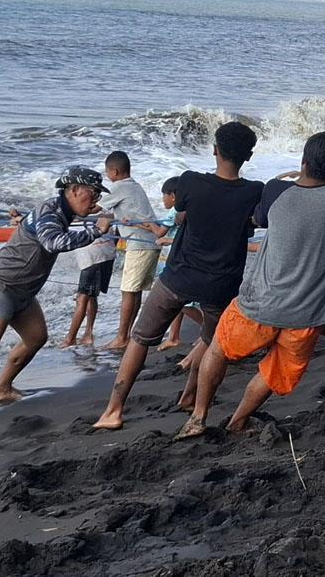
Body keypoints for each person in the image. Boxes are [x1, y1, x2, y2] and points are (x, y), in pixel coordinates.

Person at [176, 132, 325, 439]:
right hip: (309, 312)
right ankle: (238, 421)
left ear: (303, 161)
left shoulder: (274, 190)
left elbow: (260, 219)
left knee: (218, 350)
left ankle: (198, 417)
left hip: (260, 303)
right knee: (275, 370)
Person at [93, 122, 264, 430]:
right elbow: (253, 221)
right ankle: (193, 403)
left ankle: (114, 410)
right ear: (249, 156)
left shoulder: (190, 182)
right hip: (221, 285)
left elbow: (182, 215)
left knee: (140, 339)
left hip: (178, 277)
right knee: (213, 346)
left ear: (214, 149)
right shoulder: (254, 191)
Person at [0, 167, 113, 415]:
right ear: (74, 190)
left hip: (22, 292)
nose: (96, 200)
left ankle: (2, 388)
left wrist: (88, 216)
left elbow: (40, 228)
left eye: (99, 195)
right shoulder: (51, 213)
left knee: (36, 338)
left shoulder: (59, 210)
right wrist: (97, 230)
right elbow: (53, 242)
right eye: (93, 193)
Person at [98, 151, 163, 351]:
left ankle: (121, 337)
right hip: (151, 242)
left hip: (140, 243)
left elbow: (94, 209)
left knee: (128, 291)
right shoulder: (134, 186)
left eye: (107, 172)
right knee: (134, 292)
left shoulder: (118, 187)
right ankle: (129, 334)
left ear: (114, 171)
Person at [153, 177, 201, 352]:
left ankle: (211, 331)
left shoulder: (175, 211)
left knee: (183, 304)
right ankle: (173, 336)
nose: (162, 199)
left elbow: (159, 231)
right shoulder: (187, 210)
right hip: (176, 260)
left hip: (177, 262)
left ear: (173, 196)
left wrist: (151, 225)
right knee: (177, 302)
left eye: (163, 195)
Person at [61, 227, 117, 348]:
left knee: (82, 298)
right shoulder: (105, 209)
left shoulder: (79, 211)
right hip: (106, 252)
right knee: (91, 295)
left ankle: (70, 339)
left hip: (93, 257)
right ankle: (88, 334)